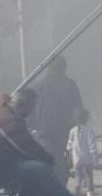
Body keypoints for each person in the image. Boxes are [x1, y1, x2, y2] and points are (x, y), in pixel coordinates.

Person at [0, 88, 89, 196]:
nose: (31, 111)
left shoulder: (8, 115)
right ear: (22, 104)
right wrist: (48, 158)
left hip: (1, 166)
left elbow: (27, 147)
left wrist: (44, 159)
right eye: (31, 106)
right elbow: (27, 146)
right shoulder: (10, 120)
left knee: (37, 171)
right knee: (40, 169)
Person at [30, 55, 82, 185]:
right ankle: (59, 188)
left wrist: (32, 127)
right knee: (61, 163)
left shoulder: (38, 86)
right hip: (63, 132)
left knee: (47, 162)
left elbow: (30, 110)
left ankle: (50, 187)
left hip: (43, 133)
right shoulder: (70, 85)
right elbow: (78, 109)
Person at [66, 107, 97, 196]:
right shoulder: (89, 130)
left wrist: (69, 156)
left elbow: (69, 145)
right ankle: (90, 192)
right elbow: (92, 144)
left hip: (77, 158)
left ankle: (78, 192)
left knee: (78, 177)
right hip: (87, 158)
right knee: (89, 175)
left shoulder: (72, 131)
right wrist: (95, 156)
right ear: (86, 119)